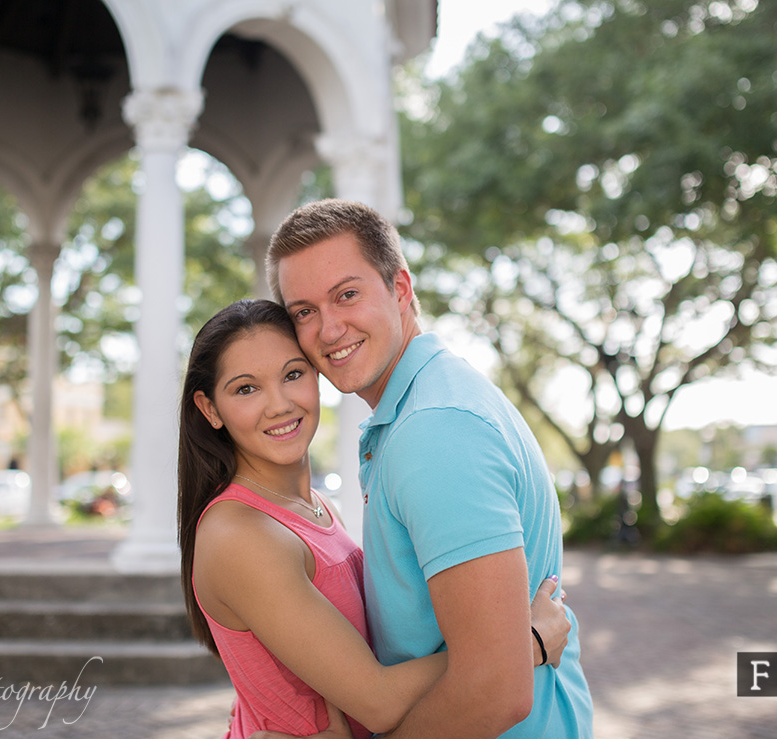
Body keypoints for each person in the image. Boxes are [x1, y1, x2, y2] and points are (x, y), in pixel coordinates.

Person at [265, 199, 594, 738]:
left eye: (347, 295)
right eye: (304, 311)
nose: (328, 330)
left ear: (400, 288)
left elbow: (496, 688)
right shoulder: (427, 405)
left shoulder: (434, 430)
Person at [178, 299, 570, 739]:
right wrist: (522, 643)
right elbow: (377, 701)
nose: (279, 405)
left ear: (317, 375)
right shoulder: (240, 535)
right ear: (210, 408)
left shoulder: (319, 509)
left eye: (293, 374)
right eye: (246, 389)